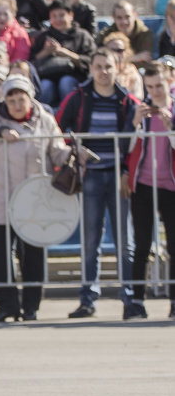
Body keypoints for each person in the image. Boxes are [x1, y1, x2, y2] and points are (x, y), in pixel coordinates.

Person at [0, 75, 69, 322]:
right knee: (1, 254)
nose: (17, 105)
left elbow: (57, 152)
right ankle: (6, 305)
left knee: (33, 255)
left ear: (30, 99)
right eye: (12, 100)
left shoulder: (45, 120)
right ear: (5, 100)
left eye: (21, 99)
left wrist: (73, 154)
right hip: (3, 200)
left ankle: (31, 306)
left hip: (34, 201)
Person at [56, 48, 137, 318]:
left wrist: (126, 169)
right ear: (91, 68)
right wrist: (74, 148)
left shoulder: (126, 101)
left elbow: (132, 142)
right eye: (98, 66)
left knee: (124, 241)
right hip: (90, 175)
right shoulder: (78, 97)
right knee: (91, 240)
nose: (103, 72)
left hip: (118, 175)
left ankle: (130, 297)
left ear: (117, 68)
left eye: (108, 66)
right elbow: (60, 128)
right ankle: (88, 298)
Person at [122, 62, 175, 320]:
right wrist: (135, 124)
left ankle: (174, 301)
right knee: (141, 244)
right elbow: (128, 147)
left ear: (169, 82)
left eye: (159, 86)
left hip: (171, 185)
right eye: (150, 87)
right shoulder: (139, 108)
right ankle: (136, 301)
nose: (155, 92)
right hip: (143, 184)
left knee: (173, 246)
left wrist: (170, 128)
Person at [29, 0, 95, 107]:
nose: (58, 19)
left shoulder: (82, 36)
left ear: (71, 15)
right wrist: (45, 52)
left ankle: (70, 115)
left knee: (66, 82)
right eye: (54, 16)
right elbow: (30, 64)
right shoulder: (43, 37)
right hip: (48, 79)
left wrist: (65, 53)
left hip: (73, 79)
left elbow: (91, 60)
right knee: (45, 85)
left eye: (61, 15)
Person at [98, 1, 154, 67]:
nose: (124, 22)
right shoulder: (105, 35)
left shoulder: (144, 34)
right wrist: (133, 58)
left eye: (127, 17)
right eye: (119, 18)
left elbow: (146, 61)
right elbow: (101, 60)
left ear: (134, 15)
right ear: (114, 18)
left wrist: (117, 58)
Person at [101, 33, 144, 101]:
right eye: (111, 50)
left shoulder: (132, 72)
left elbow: (138, 98)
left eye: (119, 50)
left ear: (126, 52)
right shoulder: (100, 70)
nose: (116, 54)